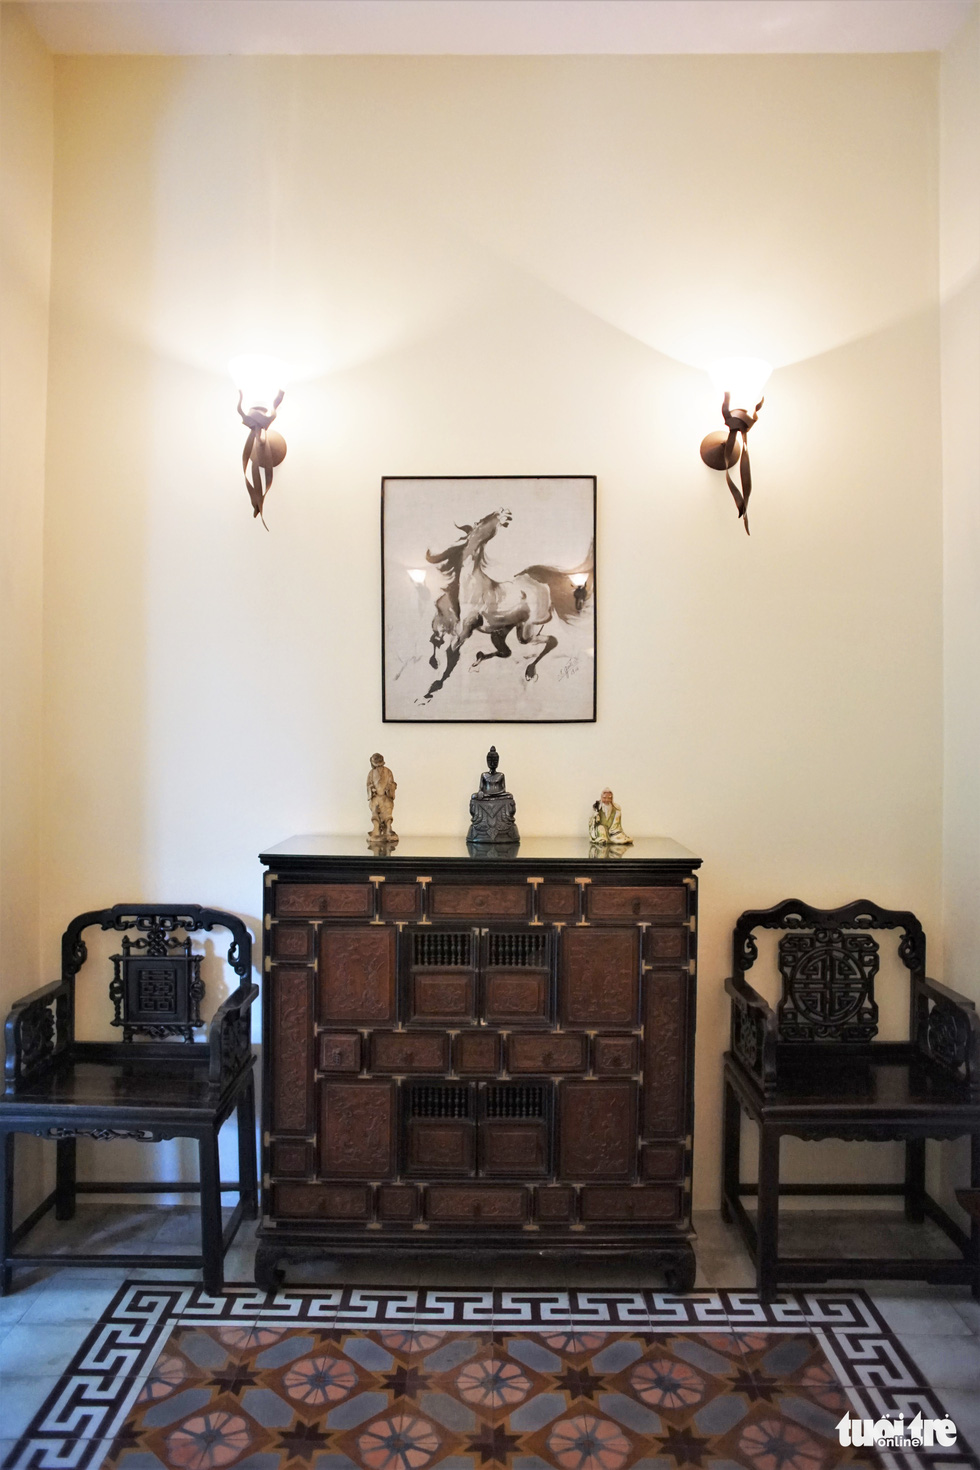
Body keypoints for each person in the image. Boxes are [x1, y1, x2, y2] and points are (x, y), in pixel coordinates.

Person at [367, 754, 398, 843]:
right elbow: (369, 784)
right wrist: (371, 789)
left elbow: (392, 783)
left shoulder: (388, 772)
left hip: (386, 797)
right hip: (376, 797)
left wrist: (389, 788)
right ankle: (376, 829)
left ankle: (388, 829)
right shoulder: (371, 773)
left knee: (387, 812)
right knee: (375, 811)